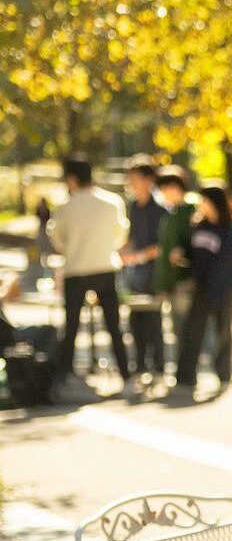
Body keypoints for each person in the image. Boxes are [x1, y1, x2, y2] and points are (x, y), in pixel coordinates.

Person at [47, 157, 135, 396]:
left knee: (72, 325)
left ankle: (65, 376)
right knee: (114, 325)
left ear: (71, 178)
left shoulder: (64, 206)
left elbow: (57, 239)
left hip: (76, 269)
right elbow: (121, 236)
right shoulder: (112, 202)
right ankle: (126, 376)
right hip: (105, 267)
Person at [168, 186, 232, 396]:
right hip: (199, 289)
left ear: (214, 202)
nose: (201, 205)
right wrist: (181, 256)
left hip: (223, 290)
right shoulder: (199, 227)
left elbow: (226, 266)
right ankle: (185, 377)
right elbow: (193, 255)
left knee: (223, 333)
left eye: (204, 200)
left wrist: (213, 291)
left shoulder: (230, 232)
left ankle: (224, 376)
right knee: (192, 332)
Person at [120, 161, 170, 391]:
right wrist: (122, 253)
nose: (132, 184)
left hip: (153, 274)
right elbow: (131, 238)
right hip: (133, 275)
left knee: (153, 323)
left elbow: (161, 246)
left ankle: (159, 369)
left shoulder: (161, 209)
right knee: (135, 323)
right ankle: (140, 369)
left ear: (149, 180)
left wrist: (137, 256)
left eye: (135, 179)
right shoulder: (133, 206)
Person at [151, 167, 197, 380]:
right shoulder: (170, 214)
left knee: (186, 327)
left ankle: (187, 372)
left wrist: (183, 253)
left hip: (185, 278)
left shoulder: (191, 211)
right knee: (176, 328)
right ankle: (181, 370)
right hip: (171, 279)